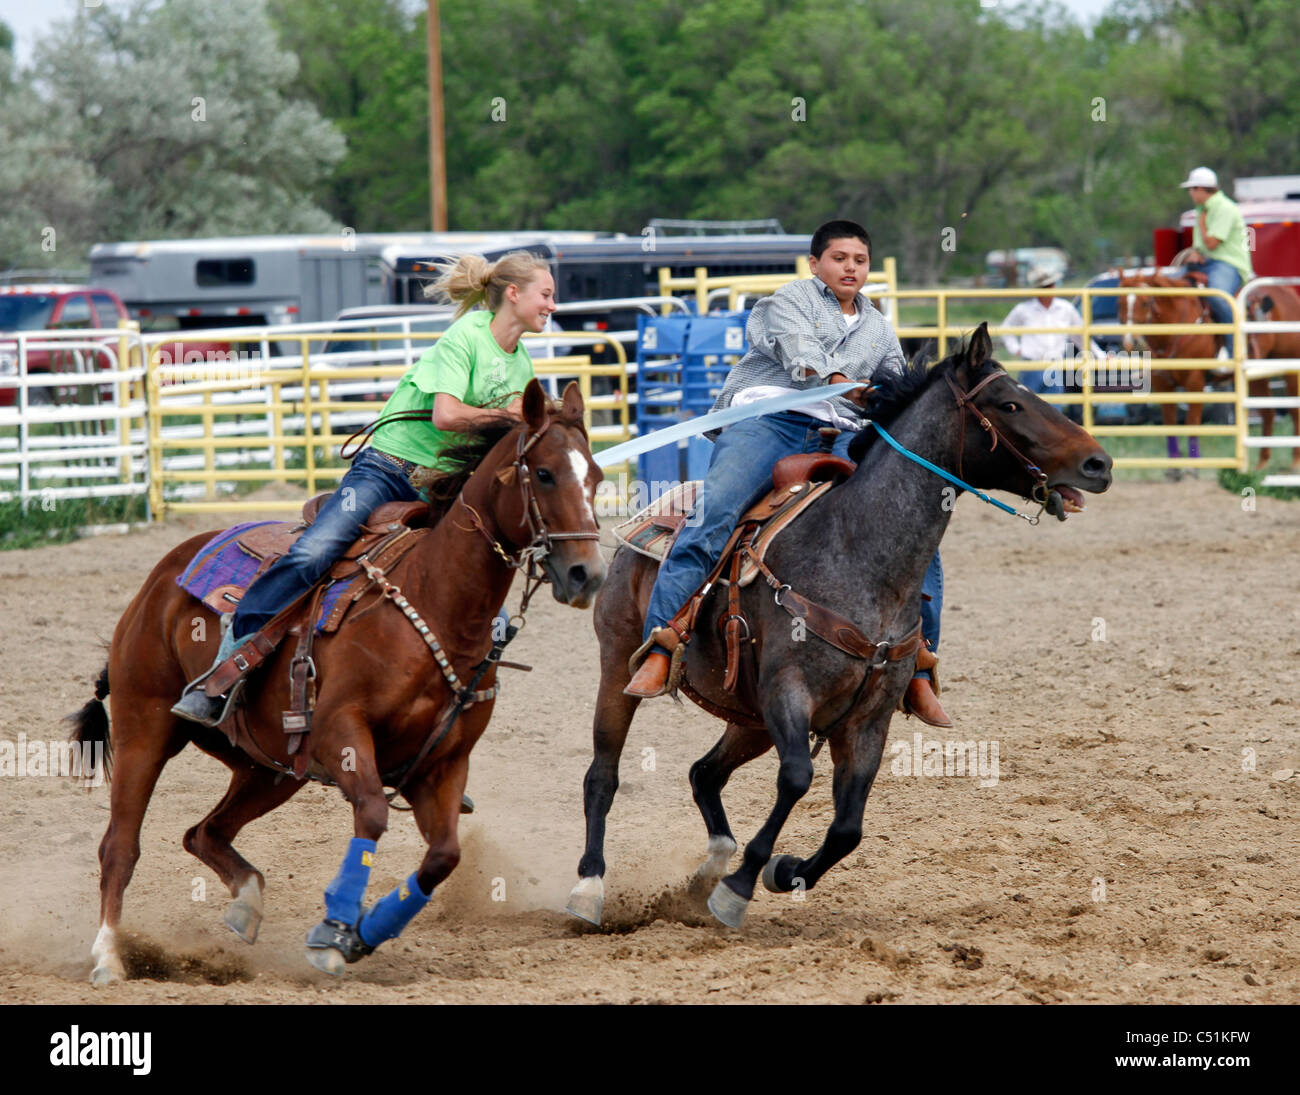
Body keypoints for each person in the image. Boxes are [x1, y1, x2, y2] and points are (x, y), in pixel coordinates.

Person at [172, 250, 557, 726]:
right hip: (389, 468)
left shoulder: (520, 362)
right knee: (317, 550)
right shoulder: (468, 337)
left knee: (479, 569)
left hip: (442, 484)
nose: (551, 306)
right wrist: (510, 417)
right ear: (514, 294)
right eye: (546, 295)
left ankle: (437, 719)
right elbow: (447, 415)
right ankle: (227, 664)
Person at [625, 219, 953, 727]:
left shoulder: (879, 327)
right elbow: (801, 356)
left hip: (842, 431)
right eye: (839, 258)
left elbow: (897, 381)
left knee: (912, 538)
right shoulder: (786, 301)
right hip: (768, 421)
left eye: (859, 260)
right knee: (716, 511)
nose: (850, 267)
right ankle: (662, 641)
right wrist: (844, 383)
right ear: (815, 263)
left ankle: (917, 665)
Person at [1177, 166, 1254, 358]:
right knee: (1171, 288)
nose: (1191, 193)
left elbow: (1211, 243)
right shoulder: (1202, 209)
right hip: (1208, 262)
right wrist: (1194, 253)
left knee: (1218, 296)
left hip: (1229, 264)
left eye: (1193, 188)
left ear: (1203, 189)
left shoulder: (1225, 208)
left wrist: (1202, 224)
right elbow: (1201, 245)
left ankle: (1235, 347)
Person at [999, 266, 1106, 401]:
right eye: (1044, 287)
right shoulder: (1024, 309)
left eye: (1049, 286)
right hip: (1032, 364)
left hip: (1055, 365)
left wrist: (1099, 354)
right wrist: (1016, 349)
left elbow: (1080, 335)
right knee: (1028, 407)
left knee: (1053, 409)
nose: (1048, 290)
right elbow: (1006, 329)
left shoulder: (1065, 308)